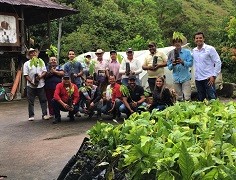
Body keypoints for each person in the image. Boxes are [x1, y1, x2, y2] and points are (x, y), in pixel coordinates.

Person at [192, 32, 222, 101]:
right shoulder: (194, 51)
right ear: (194, 40)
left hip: (208, 78)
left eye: (200, 38)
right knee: (201, 99)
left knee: (212, 99)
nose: (198, 39)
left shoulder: (210, 49)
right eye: (196, 38)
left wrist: (214, 76)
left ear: (204, 39)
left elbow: (218, 62)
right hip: (198, 79)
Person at [23, 48, 49, 121]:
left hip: (41, 84)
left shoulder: (41, 61)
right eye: (31, 53)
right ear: (29, 55)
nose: (33, 54)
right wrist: (31, 81)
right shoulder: (27, 63)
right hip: (31, 85)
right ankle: (31, 115)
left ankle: (44, 114)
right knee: (30, 101)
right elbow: (25, 74)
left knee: (43, 100)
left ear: (37, 53)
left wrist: (40, 76)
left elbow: (44, 71)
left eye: (34, 52)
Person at [167, 32, 193, 101]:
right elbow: (169, 67)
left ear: (181, 43)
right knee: (178, 97)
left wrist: (183, 62)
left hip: (185, 77)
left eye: (179, 42)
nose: (177, 43)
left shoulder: (187, 52)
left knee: (187, 96)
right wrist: (173, 64)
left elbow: (190, 63)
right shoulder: (171, 53)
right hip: (176, 78)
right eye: (175, 42)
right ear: (173, 44)